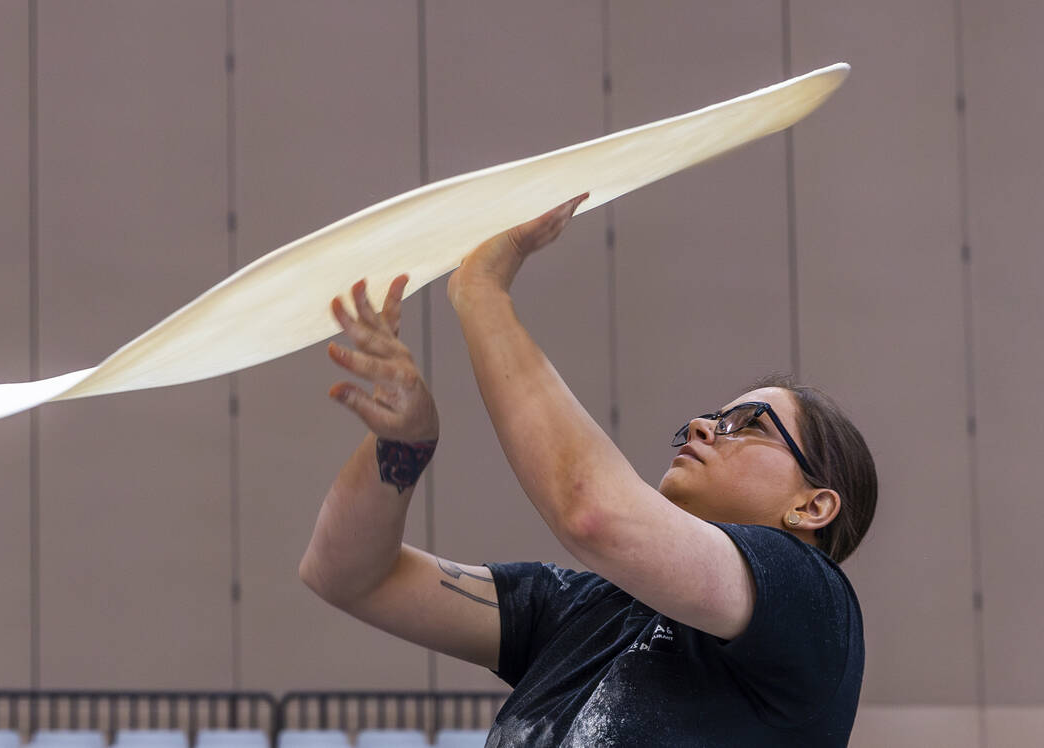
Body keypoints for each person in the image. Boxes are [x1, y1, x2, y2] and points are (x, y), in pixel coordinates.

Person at [299, 195, 878, 747]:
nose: (704, 427)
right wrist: (403, 444)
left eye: (748, 424)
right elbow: (348, 575)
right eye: (709, 418)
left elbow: (595, 515)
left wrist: (481, 291)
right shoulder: (579, 609)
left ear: (813, 506)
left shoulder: (813, 602)